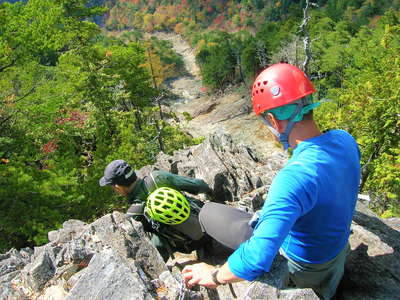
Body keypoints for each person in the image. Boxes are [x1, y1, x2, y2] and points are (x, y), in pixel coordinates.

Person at [182, 63, 361, 300]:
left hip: (304, 271)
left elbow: (256, 259)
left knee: (209, 214)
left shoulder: (294, 178)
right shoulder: (345, 139)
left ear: (273, 121)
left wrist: (213, 275)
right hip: (333, 256)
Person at [99, 159, 214, 261]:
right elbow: (199, 185)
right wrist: (211, 194)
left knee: (158, 236)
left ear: (117, 187)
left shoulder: (134, 213)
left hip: (190, 244)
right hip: (208, 221)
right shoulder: (158, 177)